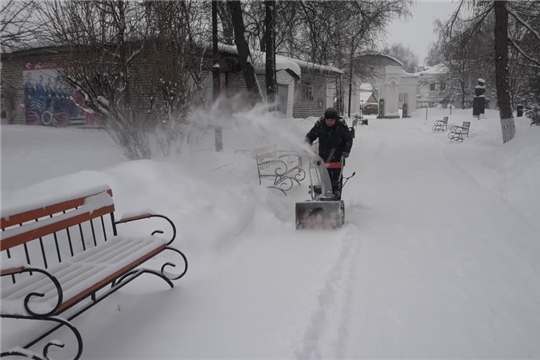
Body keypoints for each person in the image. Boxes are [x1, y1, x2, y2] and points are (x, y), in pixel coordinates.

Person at [305, 107, 353, 200]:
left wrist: (346, 152)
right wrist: (307, 147)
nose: (329, 122)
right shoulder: (320, 125)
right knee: (324, 180)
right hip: (323, 157)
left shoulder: (341, 125)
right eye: (328, 120)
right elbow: (310, 137)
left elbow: (348, 139)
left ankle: (336, 198)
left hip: (338, 157)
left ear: (335, 119)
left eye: (332, 120)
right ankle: (323, 198)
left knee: (336, 181)